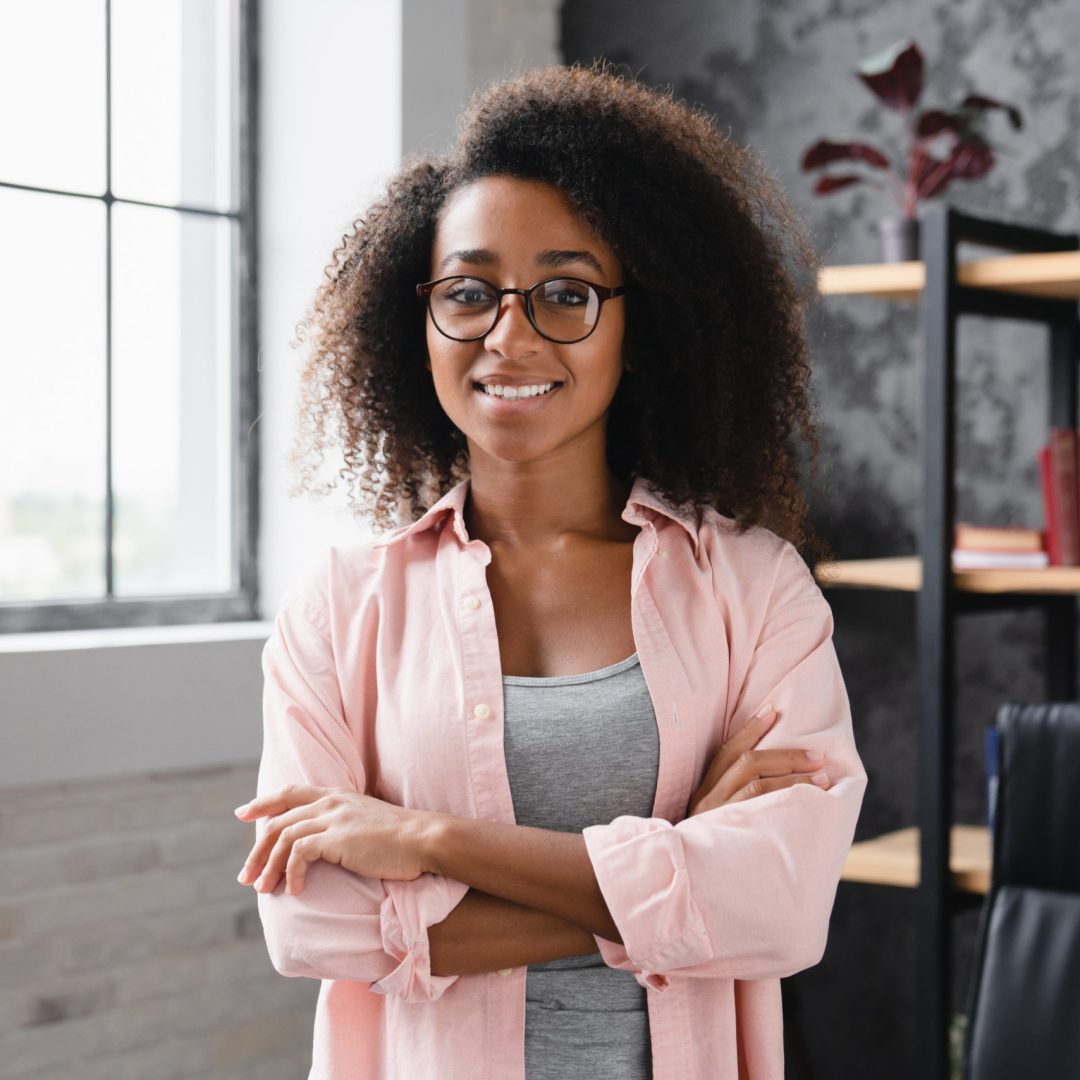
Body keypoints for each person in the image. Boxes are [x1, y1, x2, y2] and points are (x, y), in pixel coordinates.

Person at [233, 59, 867, 1080]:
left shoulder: (756, 589)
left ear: (638, 321)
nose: (511, 334)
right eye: (470, 292)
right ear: (420, 318)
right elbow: (310, 931)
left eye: (566, 293)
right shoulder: (339, 608)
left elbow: (785, 908)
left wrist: (429, 838)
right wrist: (676, 872)